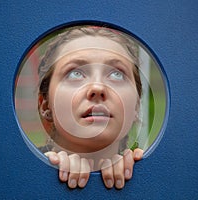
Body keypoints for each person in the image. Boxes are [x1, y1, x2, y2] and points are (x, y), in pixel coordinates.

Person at [37, 25, 144, 189]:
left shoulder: (154, 178)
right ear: (45, 104)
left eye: (117, 74)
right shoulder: (10, 174)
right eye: (75, 73)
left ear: (136, 105)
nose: (98, 88)